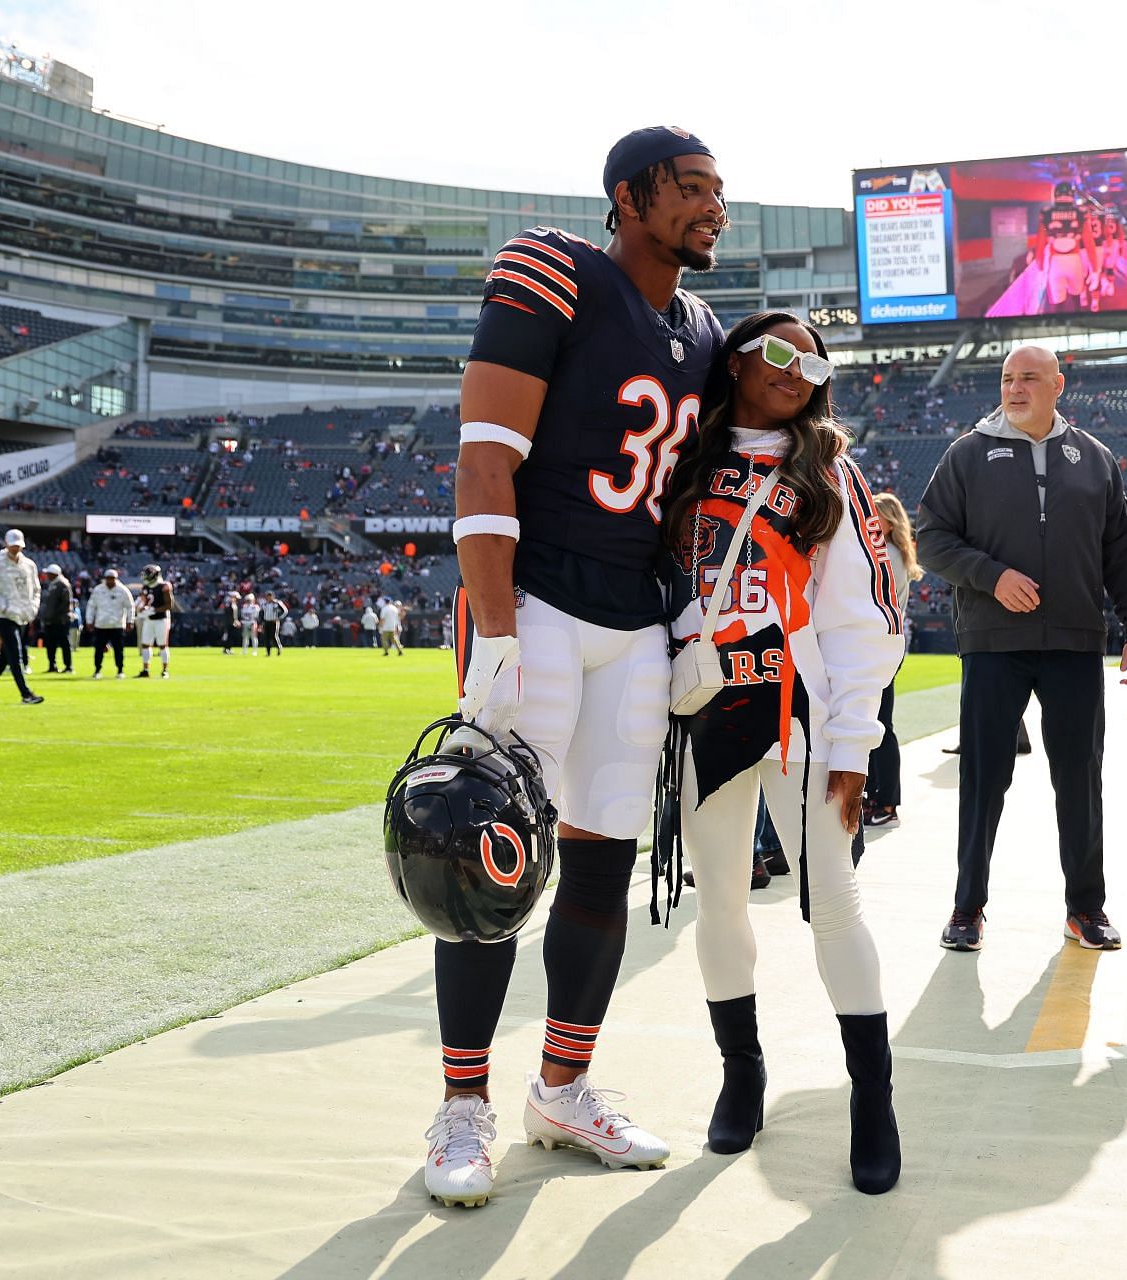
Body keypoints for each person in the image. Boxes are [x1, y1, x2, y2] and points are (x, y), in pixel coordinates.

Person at [426, 125, 726, 1207]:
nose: (712, 207)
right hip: (539, 603)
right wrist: (496, 624)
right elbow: (485, 453)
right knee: (482, 858)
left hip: (634, 621)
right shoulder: (553, 269)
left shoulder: (702, 328)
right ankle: (463, 1106)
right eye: (690, 188)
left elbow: (691, 503)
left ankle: (564, 1086)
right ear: (627, 196)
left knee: (602, 860)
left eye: (717, 190)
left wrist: (691, 618)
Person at [661, 312, 905, 1193]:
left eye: (813, 358)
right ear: (734, 361)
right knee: (721, 901)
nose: (798, 369)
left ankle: (872, 1100)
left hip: (799, 714)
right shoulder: (683, 455)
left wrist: (853, 745)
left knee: (833, 902)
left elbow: (863, 618)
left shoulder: (829, 467)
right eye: (778, 352)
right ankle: (742, 1073)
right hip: (709, 709)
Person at [916, 344, 1127, 955]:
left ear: (1057, 385)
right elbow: (931, 538)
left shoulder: (1094, 459)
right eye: (1006, 379)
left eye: (1028, 379)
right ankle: (967, 907)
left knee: (1080, 779)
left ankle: (1086, 908)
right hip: (995, 642)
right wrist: (991, 575)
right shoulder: (967, 453)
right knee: (983, 778)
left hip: (1074, 642)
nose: (1015, 388)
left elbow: (1121, 548)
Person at [864, 491, 921, 827]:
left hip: (881, 645)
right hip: (884, 644)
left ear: (889, 519)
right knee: (876, 724)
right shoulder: (894, 552)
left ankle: (886, 803)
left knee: (881, 726)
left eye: (875, 513)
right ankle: (878, 798)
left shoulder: (889, 555)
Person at [0, 530, 42, 705]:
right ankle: (26, 693)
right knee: (15, 653)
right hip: (3, 616)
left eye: (18, 545)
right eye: (13, 544)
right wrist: (1, 606)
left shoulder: (29, 565)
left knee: (5, 656)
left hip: (22, 615)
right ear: (6, 544)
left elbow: (36, 590)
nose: (16, 548)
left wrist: (33, 608)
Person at [85, 567, 133, 678]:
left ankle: (120, 670)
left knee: (118, 649)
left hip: (117, 624)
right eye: (108, 578)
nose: (110, 581)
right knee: (98, 650)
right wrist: (89, 620)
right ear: (105, 578)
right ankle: (97, 670)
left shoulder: (123, 590)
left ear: (116, 578)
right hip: (101, 624)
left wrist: (130, 621)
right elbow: (91, 606)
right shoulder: (98, 590)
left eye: (112, 578)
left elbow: (130, 606)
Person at [135, 564, 173, 678]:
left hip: (161, 619)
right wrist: (142, 608)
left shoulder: (164, 586)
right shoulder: (145, 587)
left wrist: (154, 610)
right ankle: (145, 670)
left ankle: (165, 670)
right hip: (149, 619)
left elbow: (169, 605)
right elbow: (143, 600)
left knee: (162, 645)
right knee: (145, 645)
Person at [38, 564, 74, 674]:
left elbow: (65, 603)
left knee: (64, 643)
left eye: (49, 574)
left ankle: (68, 666)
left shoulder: (62, 584)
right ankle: (52, 665)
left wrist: (53, 615)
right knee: (50, 644)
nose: (47, 575)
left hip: (61, 620)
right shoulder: (52, 584)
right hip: (51, 620)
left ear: (54, 574)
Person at [258, 590, 288, 657]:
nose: (268, 598)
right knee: (266, 638)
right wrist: (261, 623)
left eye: (269, 596)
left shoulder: (277, 603)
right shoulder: (264, 604)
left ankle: (278, 649)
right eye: (267, 597)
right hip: (266, 622)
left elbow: (285, 611)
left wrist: (278, 618)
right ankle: (268, 653)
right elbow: (261, 613)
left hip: (274, 622)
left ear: (272, 596)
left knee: (274, 636)